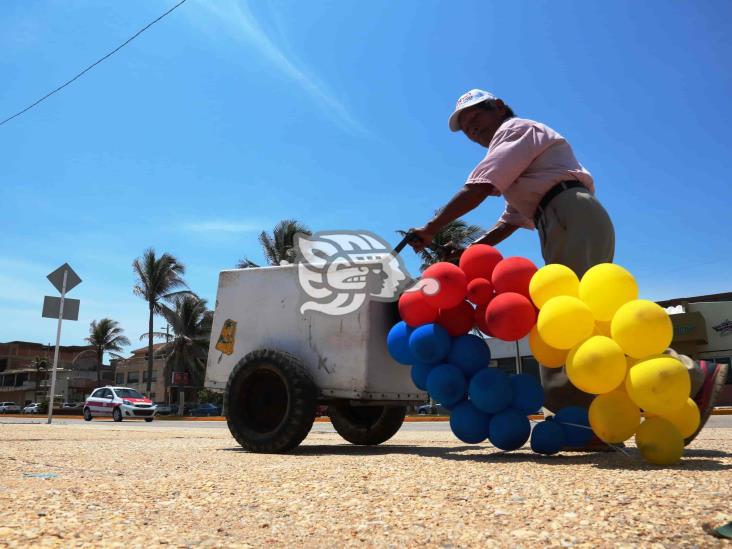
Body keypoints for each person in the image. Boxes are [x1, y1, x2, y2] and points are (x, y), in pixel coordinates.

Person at [408, 88, 728, 445]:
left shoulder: (515, 131)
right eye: (466, 127)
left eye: (475, 117)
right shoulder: (521, 163)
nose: (472, 129)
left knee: (575, 318)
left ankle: (689, 377)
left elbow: (480, 187)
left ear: (498, 108)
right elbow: (509, 221)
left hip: (567, 211)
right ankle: (591, 420)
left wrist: (430, 228)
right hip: (560, 216)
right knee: (575, 319)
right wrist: (470, 253)